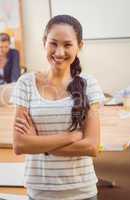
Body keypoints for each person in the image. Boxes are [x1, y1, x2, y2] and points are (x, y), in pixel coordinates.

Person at [10, 15, 105, 200]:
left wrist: (37, 143)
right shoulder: (25, 83)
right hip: (39, 192)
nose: (59, 52)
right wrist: (70, 136)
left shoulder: (89, 84)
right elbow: (20, 145)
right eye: (53, 43)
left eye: (67, 45)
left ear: (80, 46)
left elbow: (92, 146)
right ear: (44, 43)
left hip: (82, 192)